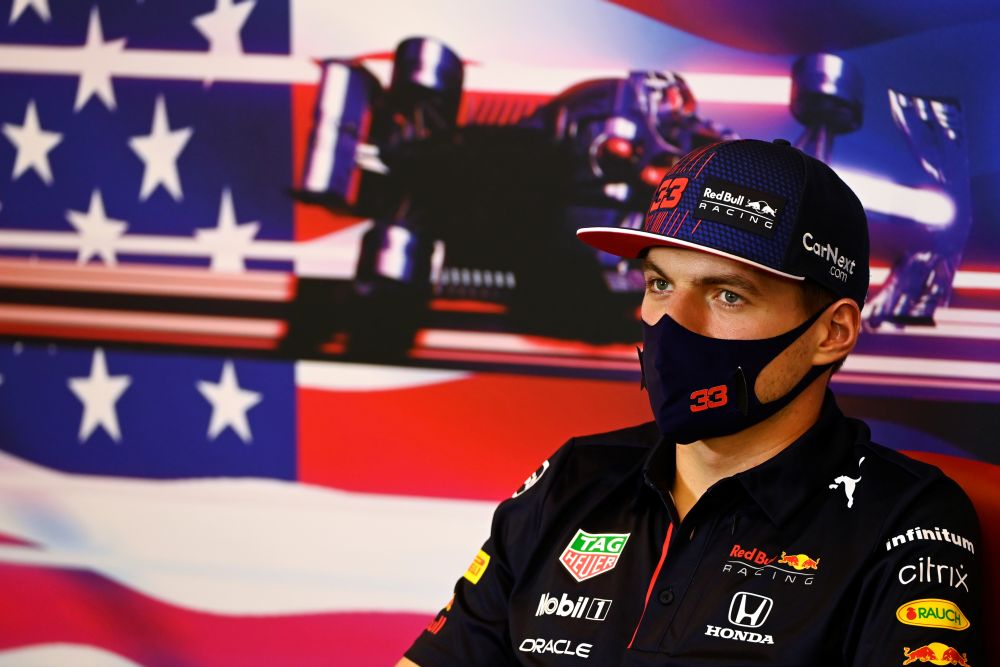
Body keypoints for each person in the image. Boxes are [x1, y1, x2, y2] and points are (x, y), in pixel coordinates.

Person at [397, 139, 984, 666]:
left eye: (727, 294)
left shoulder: (904, 520)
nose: (672, 325)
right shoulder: (573, 477)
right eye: (659, 284)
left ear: (831, 332)